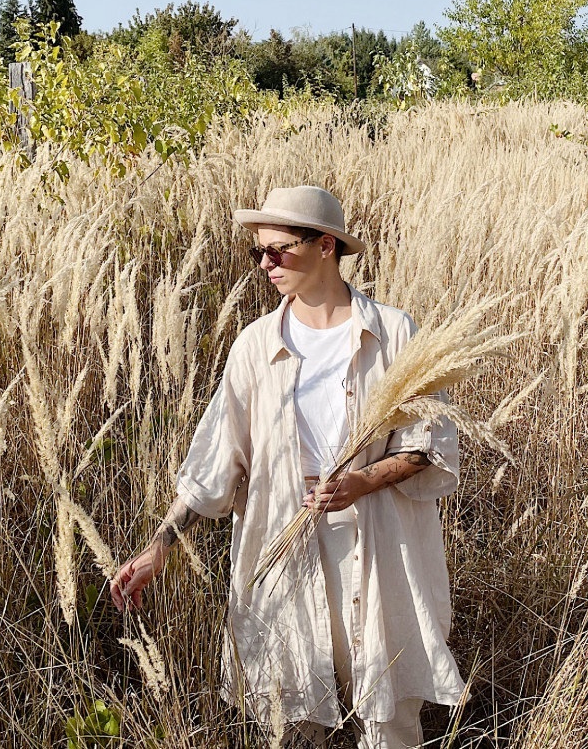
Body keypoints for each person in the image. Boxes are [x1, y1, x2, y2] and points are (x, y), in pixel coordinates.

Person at [111, 185, 465, 748]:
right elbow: (214, 465)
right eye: (257, 253)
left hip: (380, 552)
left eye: (278, 250)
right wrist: (158, 547)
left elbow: (430, 444)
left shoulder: (395, 333)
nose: (265, 264)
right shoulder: (254, 347)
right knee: (292, 720)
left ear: (326, 245)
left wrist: (363, 482)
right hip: (285, 552)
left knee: (390, 718)